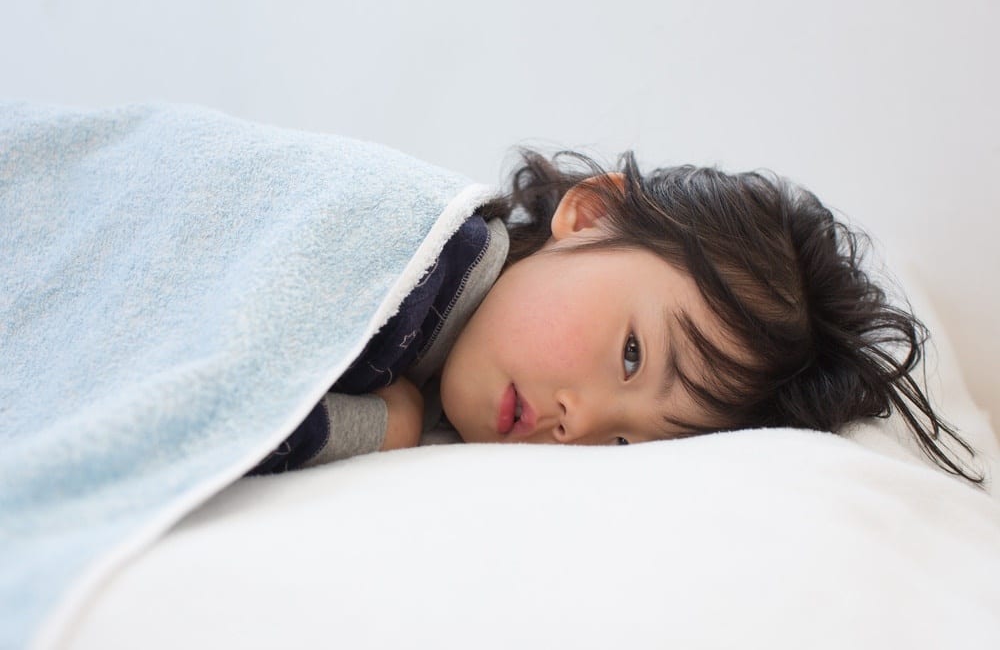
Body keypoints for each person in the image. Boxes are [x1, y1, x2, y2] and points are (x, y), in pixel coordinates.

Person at [248, 150, 981, 484]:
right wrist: (390, 425)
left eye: (624, 443)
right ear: (591, 213)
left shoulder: (442, 373)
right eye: (632, 355)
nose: (578, 421)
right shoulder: (427, 263)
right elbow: (243, 416)